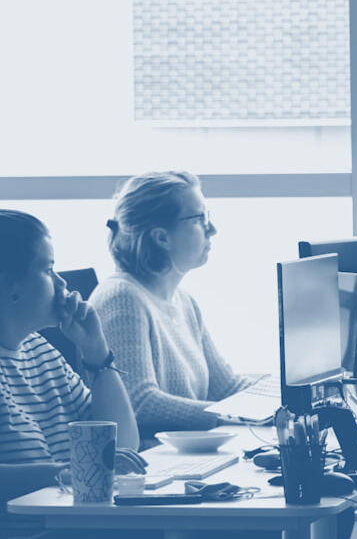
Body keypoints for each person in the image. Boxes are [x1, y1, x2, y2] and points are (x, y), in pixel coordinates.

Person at [0, 203, 145, 538]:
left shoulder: (37, 349)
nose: (61, 282)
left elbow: (120, 447)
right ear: (11, 287)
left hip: (64, 527)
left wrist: (97, 353)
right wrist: (61, 473)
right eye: (48, 269)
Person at [91, 171, 249, 436]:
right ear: (161, 237)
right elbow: (139, 402)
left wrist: (285, 398)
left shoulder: (185, 302)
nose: (212, 229)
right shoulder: (121, 298)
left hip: (191, 453)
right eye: (200, 219)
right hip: (150, 458)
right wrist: (235, 416)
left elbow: (227, 387)